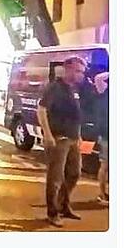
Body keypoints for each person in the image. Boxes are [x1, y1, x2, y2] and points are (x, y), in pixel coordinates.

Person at [37, 57, 88, 227]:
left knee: (74, 173)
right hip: (59, 138)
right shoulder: (54, 88)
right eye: (78, 71)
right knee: (55, 177)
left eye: (82, 71)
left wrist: (79, 135)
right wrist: (48, 134)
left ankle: (64, 205)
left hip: (73, 138)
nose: (81, 74)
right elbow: (42, 110)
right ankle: (52, 213)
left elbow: (77, 115)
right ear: (68, 70)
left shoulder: (74, 89)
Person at [94, 71, 109, 204]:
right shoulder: (105, 90)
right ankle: (102, 194)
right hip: (106, 134)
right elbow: (99, 77)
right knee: (105, 165)